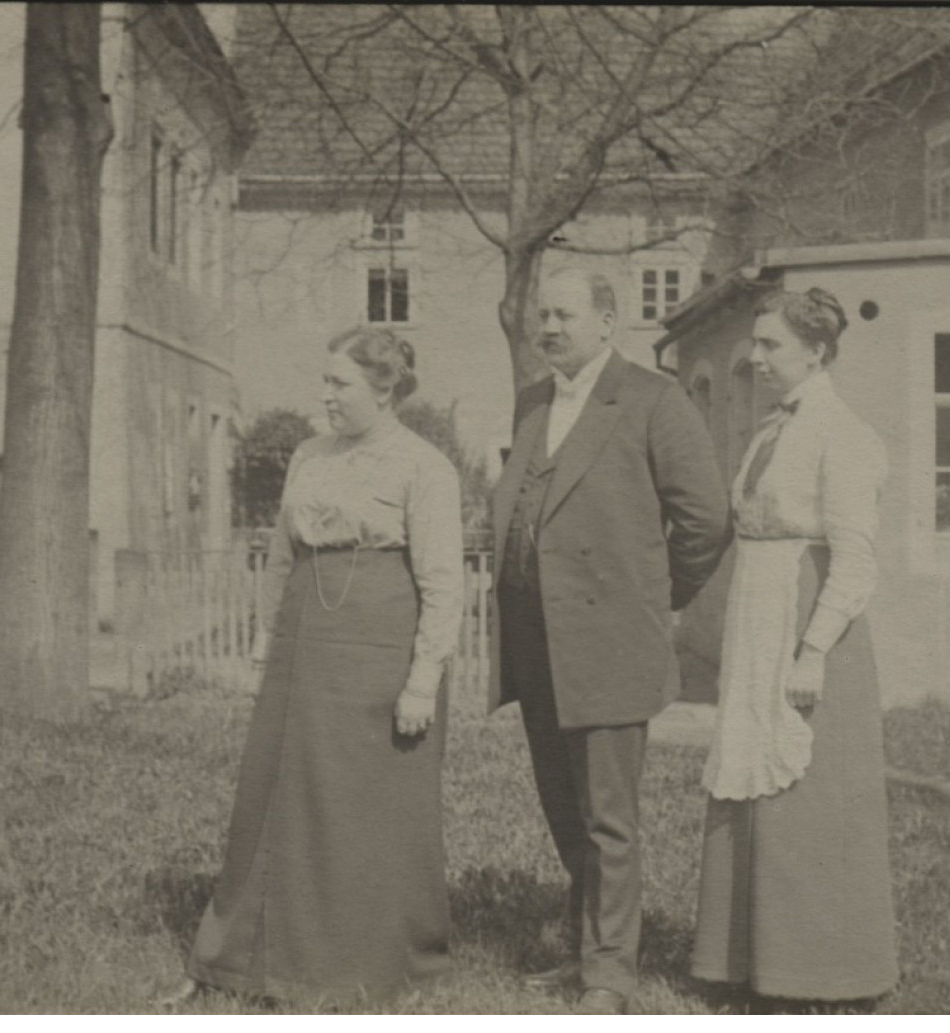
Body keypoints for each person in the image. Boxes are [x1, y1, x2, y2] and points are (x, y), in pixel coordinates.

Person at [169, 327, 463, 1006]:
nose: (324, 395)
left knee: (364, 809)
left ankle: (357, 966)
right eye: (324, 381)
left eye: (340, 384)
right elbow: (279, 560)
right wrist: (262, 646)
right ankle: (244, 957)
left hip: (380, 651)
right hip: (304, 646)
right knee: (275, 800)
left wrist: (422, 680)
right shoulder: (307, 455)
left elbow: (444, 581)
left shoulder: (423, 466)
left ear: (384, 389)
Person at [490, 268, 731, 1015]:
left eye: (563, 314)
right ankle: (585, 943)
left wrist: (652, 599)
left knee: (607, 815)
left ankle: (610, 974)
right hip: (535, 641)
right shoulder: (533, 400)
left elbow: (704, 519)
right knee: (563, 806)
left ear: (607, 320)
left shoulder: (654, 399)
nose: (547, 327)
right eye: (541, 315)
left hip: (609, 641)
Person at [692, 286, 898, 1005]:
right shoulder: (769, 430)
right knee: (747, 778)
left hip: (809, 626)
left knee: (808, 798)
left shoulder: (840, 432)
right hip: (760, 618)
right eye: (754, 342)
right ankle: (742, 960)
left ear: (815, 350)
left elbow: (855, 558)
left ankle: (821, 972)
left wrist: (811, 649)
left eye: (770, 344)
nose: (756, 355)